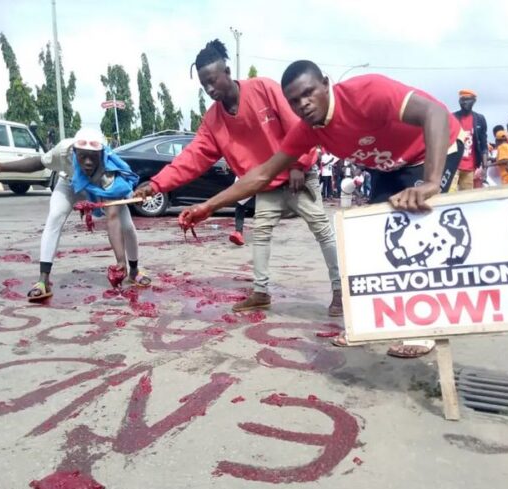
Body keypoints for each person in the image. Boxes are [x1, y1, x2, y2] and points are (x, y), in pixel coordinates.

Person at [179, 61, 463, 356]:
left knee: (416, 236)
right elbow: (262, 174)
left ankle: (424, 328)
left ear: (326, 84)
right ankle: (366, 323)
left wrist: (430, 182)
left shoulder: (367, 91)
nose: (303, 105)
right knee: (372, 243)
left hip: (429, 152)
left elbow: (436, 113)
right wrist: (209, 206)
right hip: (387, 166)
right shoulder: (307, 130)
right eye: (294, 101)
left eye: (309, 93)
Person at [134, 40, 343, 316]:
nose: (209, 89)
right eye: (203, 84)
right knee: (261, 233)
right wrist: (157, 184)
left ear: (227, 71)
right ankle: (260, 293)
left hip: (298, 175)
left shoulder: (264, 89)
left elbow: (299, 125)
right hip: (265, 184)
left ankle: (341, 291)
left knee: (322, 229)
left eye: (213, 80)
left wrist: (300, 164)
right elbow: (192, 157)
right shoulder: (213, 121)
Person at [0, 128, 151, 301]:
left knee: (127, 226)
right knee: (55, 216)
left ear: (102, 154)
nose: (88, 162)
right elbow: (39, 162)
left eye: (93, 157)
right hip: (70, 184)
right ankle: (43, 280)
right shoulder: (63, 151)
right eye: (82, 156)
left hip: (100, 187)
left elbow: (112, 218)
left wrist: (120, 261)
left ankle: (134, 270)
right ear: (74, 151)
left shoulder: (110, 172)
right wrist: (2, 167)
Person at [452, 89, 488, 191]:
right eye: (462, 99)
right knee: (449, 195)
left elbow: (483, 144)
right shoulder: (452, 118)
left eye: (467, 99)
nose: (464, 102)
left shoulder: (479, 119)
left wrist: (484, 167)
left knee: (466, 196)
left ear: (473, 101)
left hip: (470, 167)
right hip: (453, 166)